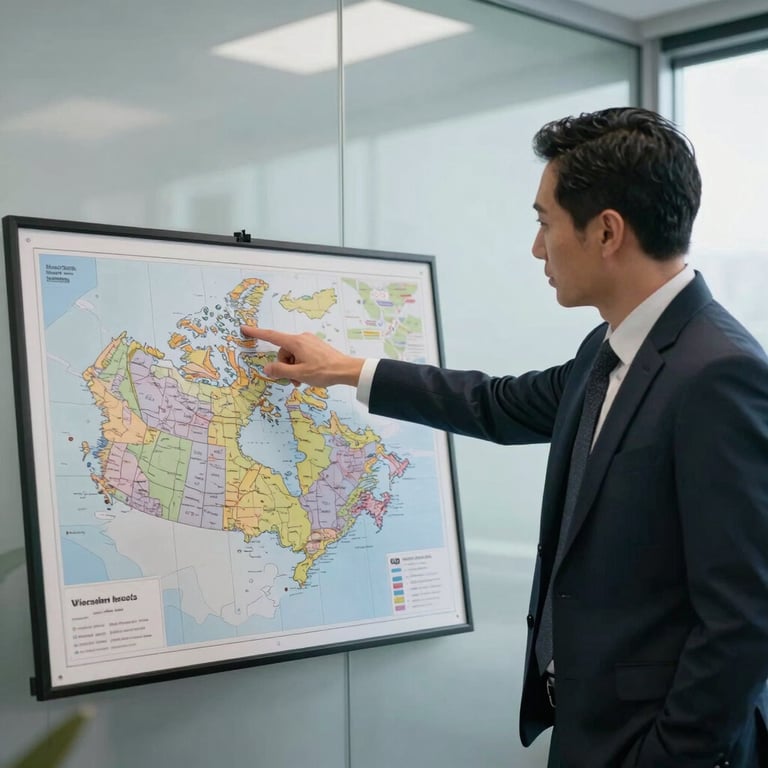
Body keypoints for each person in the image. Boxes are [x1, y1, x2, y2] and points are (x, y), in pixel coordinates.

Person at [241, 107, 768, 768]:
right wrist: (345, 369)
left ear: (607, 232)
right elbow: (495, 404)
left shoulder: (719, 374)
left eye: (545, 222)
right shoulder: (606, 354)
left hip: (653, 748)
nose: (536, 247)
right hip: (587, 730)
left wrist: (665, 755)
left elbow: (745, 616)